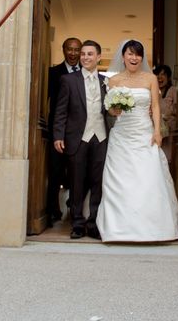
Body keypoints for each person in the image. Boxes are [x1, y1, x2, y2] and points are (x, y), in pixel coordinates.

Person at [96, 40, 178, 242]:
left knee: (148, 178)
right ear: (123, 56)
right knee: (120, 180)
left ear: (142, 57)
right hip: (122, 135)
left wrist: (157, 131)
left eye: (138, 54)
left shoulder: (150, 78)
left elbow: (156, 107)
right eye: (130, 54)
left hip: (144, 133)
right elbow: (109, 109)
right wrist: (113, 110)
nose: (134, 58)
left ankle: (152, 228)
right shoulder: (114, 80)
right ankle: (117, 229)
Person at [52, 40, 109, 239]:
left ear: (98, 57)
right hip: (77, 137)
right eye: (83, 54)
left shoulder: (107, 82)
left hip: (101, 138)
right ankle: (77, 223)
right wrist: (58, 135)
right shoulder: (68, 80)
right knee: (76, 182)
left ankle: (93, 223)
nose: (85, 57)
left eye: (90, 54)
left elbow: (110, 111)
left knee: (97, 182)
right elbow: (61, 111)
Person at [46, 37, 82, 226]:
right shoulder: (53, 73)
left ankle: (75, 207)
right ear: (63, 50)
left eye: (77, 50)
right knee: (55, 172)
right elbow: (46, 102)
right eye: (70, 49)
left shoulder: (86, 73)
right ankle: (52, 210)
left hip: (79, 132)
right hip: (57, 131)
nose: (73, 53)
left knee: (78, 172)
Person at [152, 64, 177, 161]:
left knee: (167, 157)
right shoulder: (153, 91)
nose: (160, 77)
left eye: (163, 74)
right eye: (157, 74)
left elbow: (176, 109)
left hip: (169, 129)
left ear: (168, 77)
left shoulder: (172, 90)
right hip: (156, 128)